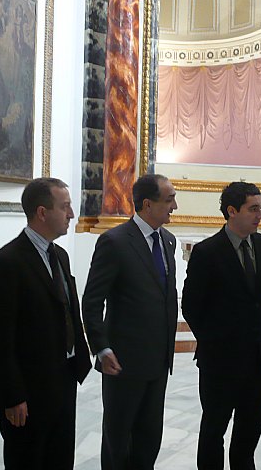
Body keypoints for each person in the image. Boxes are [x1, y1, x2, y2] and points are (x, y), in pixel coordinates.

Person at [0, 178, 92, 470]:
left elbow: (68, 309)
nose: (71, 214)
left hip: (63, 380)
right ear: (42, 212)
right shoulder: (7, 262)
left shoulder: (60, 255)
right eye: (65, 207)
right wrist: (13, 395)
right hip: (29, 392)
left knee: (59, 459)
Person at [82, 174, 179, 470]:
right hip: (123, 361)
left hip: (158, 360)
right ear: (148, 204)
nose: (175, 205)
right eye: (170, 199)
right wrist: (101, 347)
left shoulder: (168, 240)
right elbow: (92, 300)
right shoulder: (114, 242)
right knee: (118, 437)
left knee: (150, 437)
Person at [181, 181, 261, 470]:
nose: (260, 215)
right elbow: (191, 306)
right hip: (220, 362)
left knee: (248, 436)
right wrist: (215, 342)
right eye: (253, 209)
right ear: (232, 211)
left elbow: (257, 301)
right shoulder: (207, 252)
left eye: (260, 208)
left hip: (257, 362)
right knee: (213, 432)